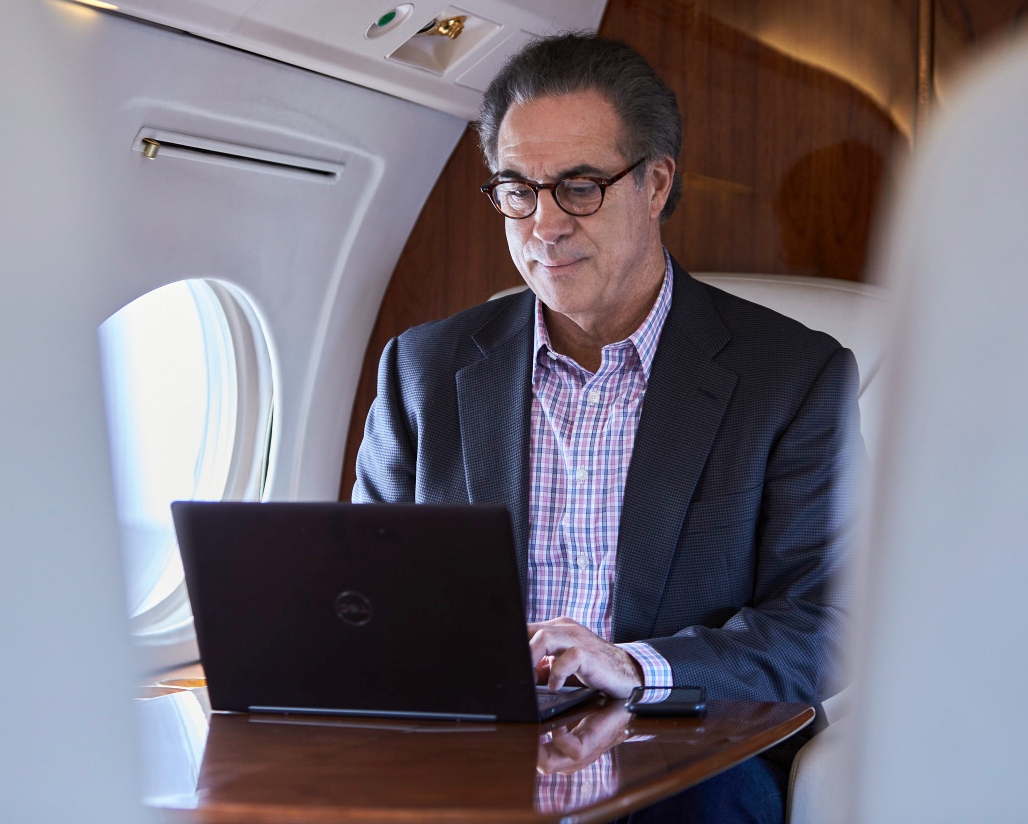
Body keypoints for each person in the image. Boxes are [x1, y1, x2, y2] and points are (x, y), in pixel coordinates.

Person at [353, 33, 860, 823]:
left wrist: (632, 667)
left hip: (688, 744)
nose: (544, 225)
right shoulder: (422, 369)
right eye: (518, 191)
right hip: (473, 743)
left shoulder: (793, 376)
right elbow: (365, 595)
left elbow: (822, 623)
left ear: (655, 184)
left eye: (580, 188)